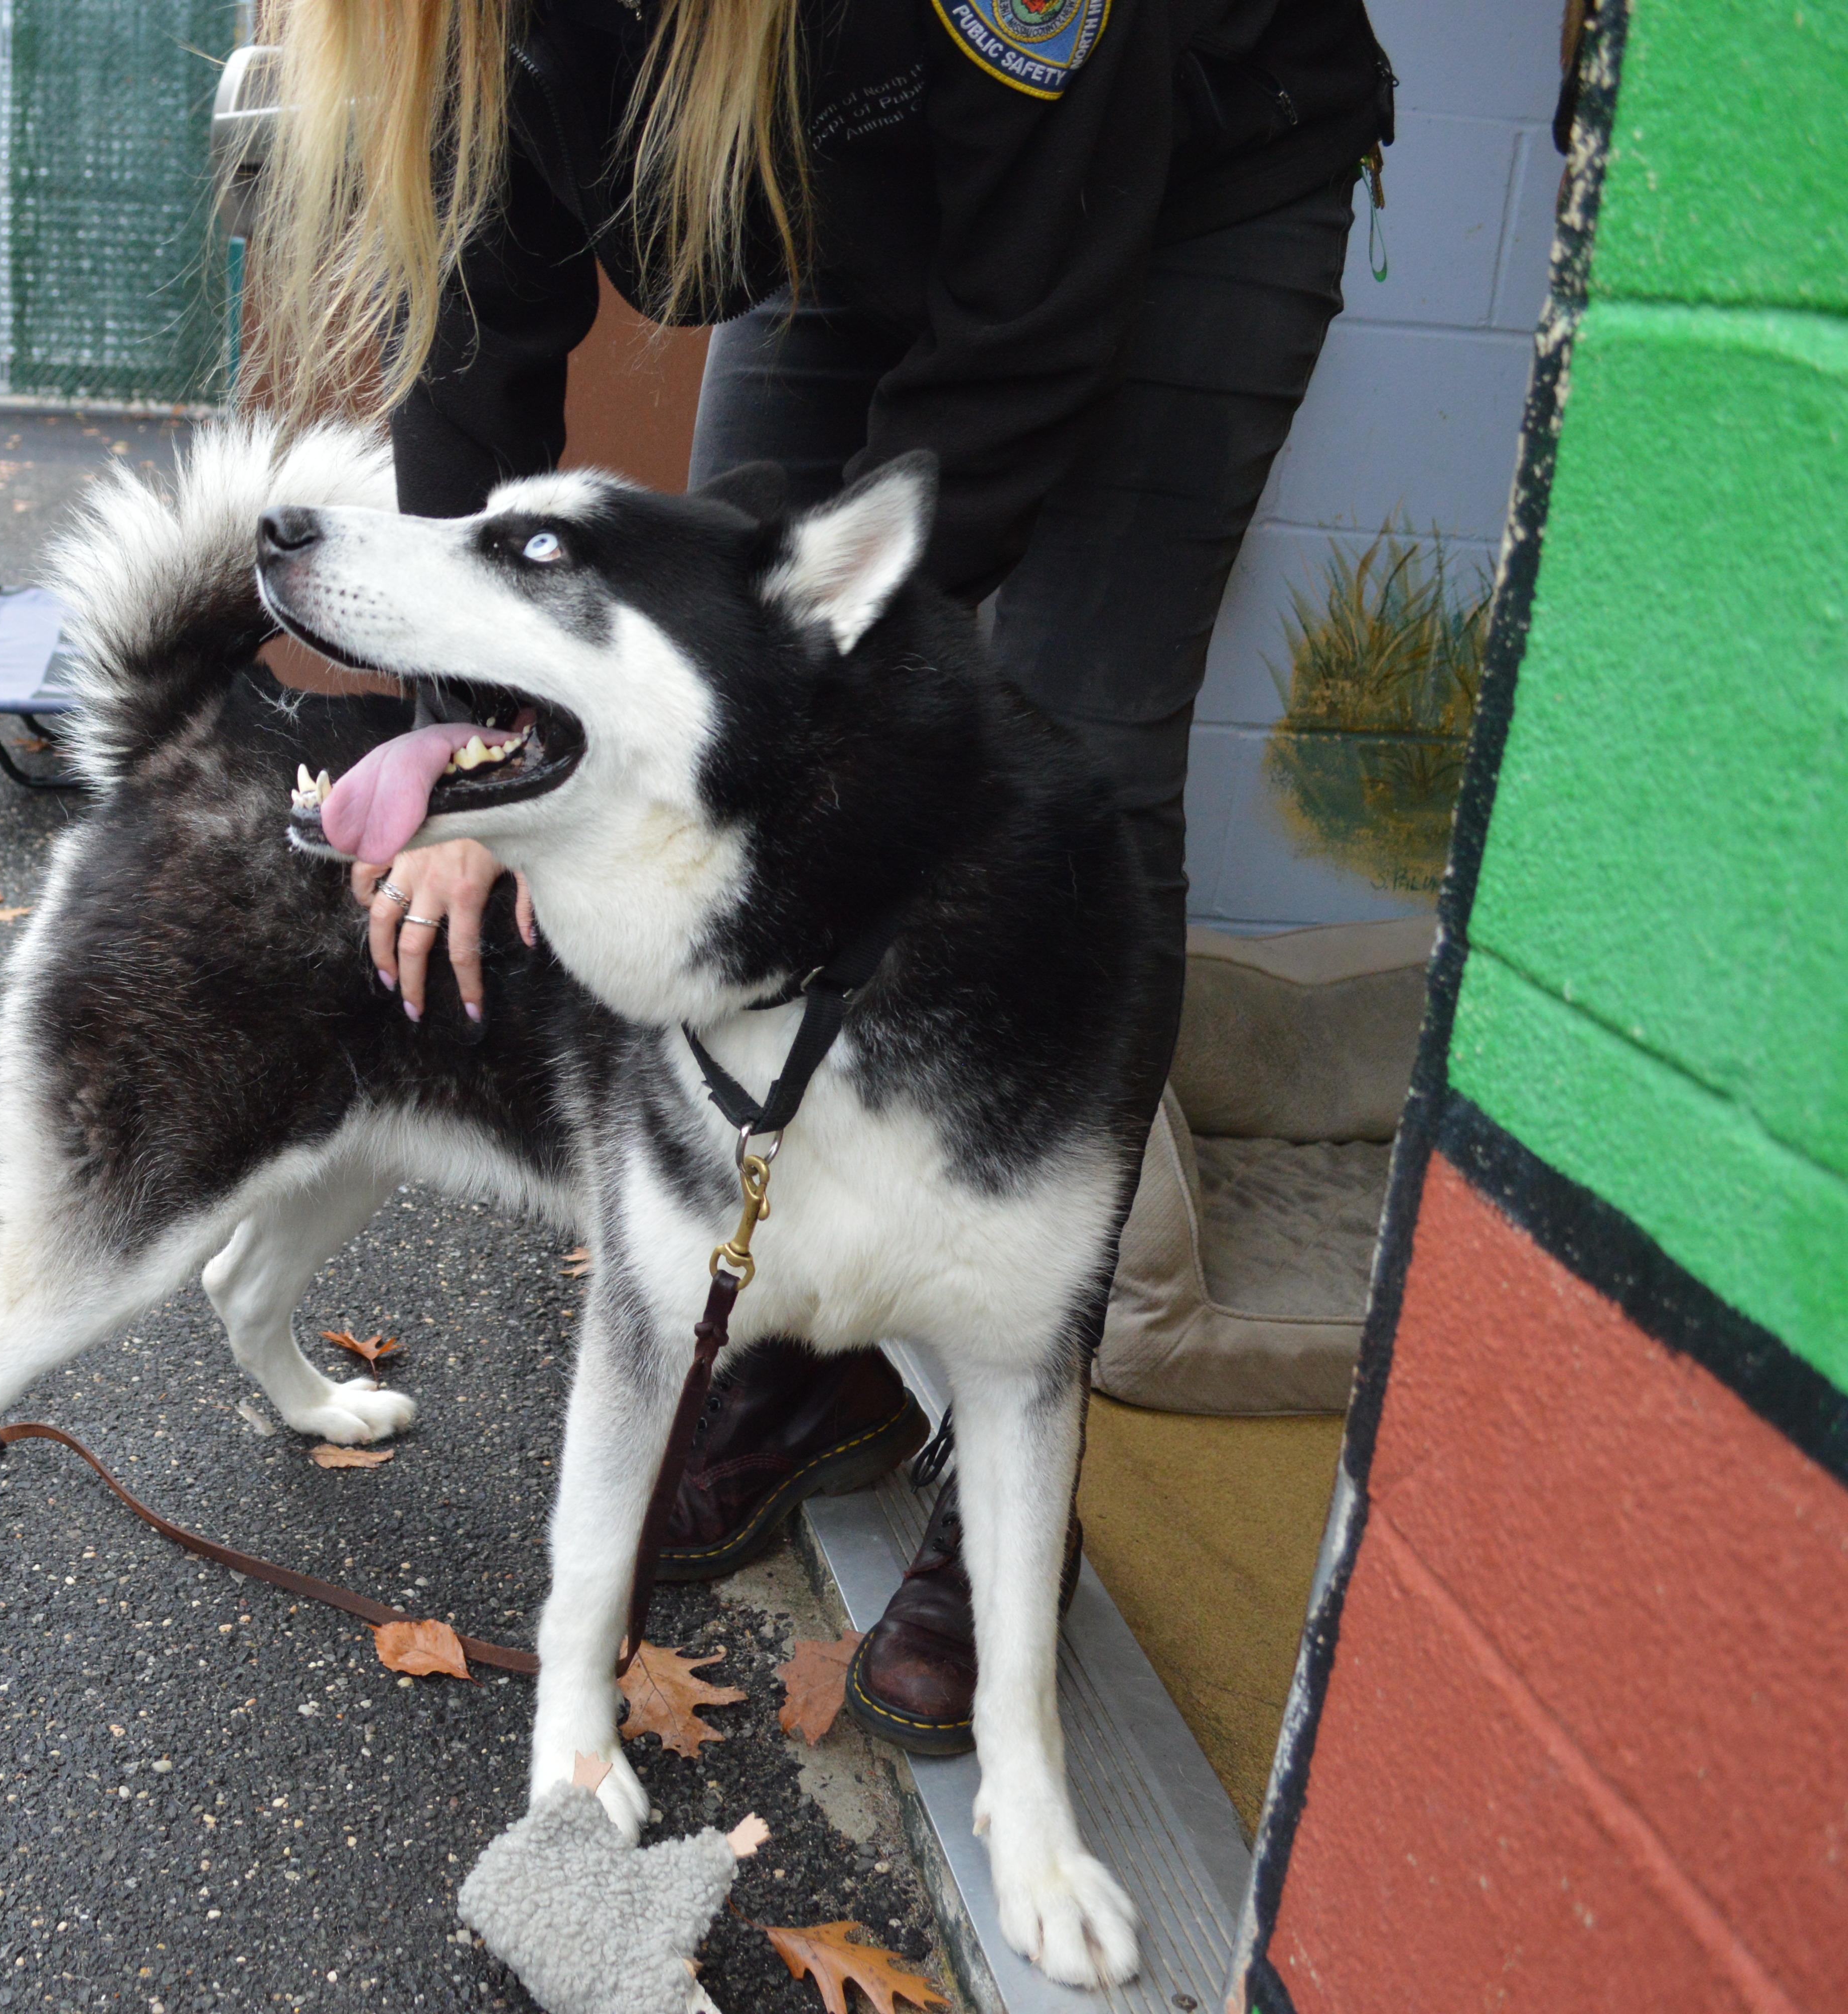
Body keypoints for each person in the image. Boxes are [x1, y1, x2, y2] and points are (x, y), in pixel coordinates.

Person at [256, 0, 1392, 1751]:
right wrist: (464, 748)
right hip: (839, 185)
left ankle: (1013, 1457)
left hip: (1181, 186)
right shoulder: (467, 28)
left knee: (1079, 747)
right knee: (742, 697)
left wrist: (793, 657)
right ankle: (807, 1366)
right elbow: (479, 345)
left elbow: (1024, 341)